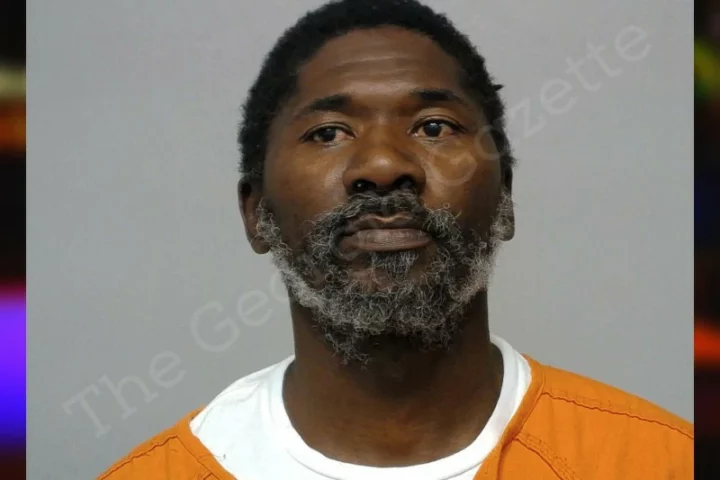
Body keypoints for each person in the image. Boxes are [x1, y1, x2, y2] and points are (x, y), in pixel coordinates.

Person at [100, 0, 693, 478]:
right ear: (257, 214)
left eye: (434, 127)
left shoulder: (661, 462)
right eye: (328, 132)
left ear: (505, 199)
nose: (383, 166)